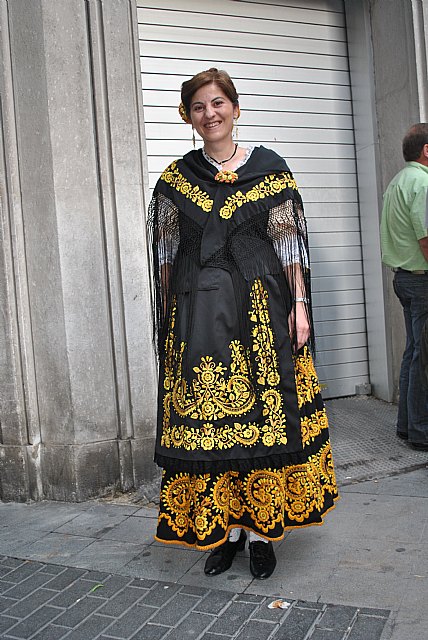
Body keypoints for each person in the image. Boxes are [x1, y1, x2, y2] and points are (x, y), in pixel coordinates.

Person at [148, 68, 338, 580]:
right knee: (210, 432)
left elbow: (289, 247)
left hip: (261, 315)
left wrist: (299, 305)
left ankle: (260, 536)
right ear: (188, 118)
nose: (209, 114)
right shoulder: (175, 179)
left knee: (260, 426)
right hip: (199, 318)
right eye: (198, 107)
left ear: (235, 107)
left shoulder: (271, 170)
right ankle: (225, 532)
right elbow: (166, 258)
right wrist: (170, 318)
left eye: (217, 103)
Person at [380, 123, 428, 451]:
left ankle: (406, 426)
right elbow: (426, 237)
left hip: (403, 278)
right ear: (427, 151)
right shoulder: (423, 182)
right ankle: (421, 431)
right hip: (422, 280)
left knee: (413, 352)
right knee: (423, 357)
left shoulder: (397, 181)